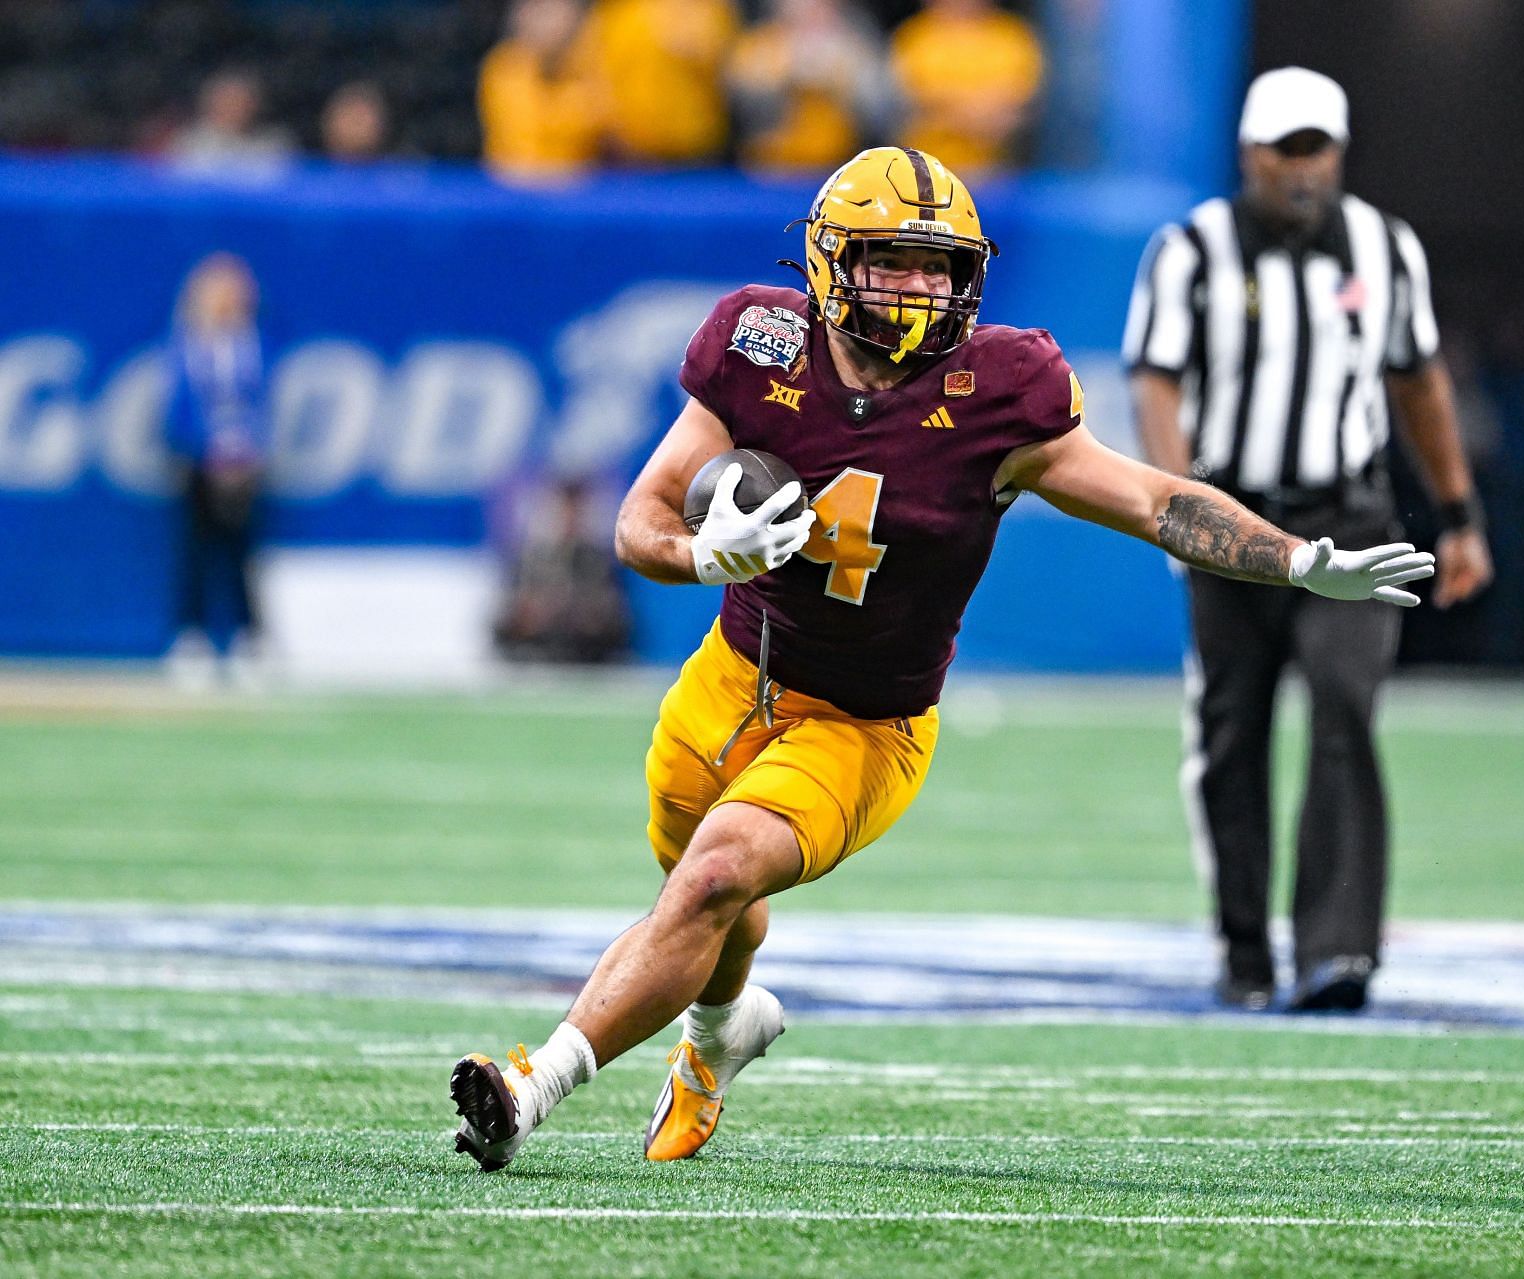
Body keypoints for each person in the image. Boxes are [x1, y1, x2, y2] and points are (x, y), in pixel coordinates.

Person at [448, 146, 1434, 1170]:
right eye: (896, 261)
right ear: (833, 263)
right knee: (704, 899)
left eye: (942, 265)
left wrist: (1296, 559)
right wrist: (705, 554)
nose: (924, 288)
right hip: (727, 682)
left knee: (716, 878)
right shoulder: (762, 343)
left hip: (864, 725)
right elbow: (638, 522)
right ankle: (720, 1033)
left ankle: (529, 1087)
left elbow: (1153, 499)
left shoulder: (1003, 391)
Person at [1123, 67, 1491, 1013]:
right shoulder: (1193, 249)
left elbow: (1419, 381)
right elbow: (1156, 380)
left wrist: (1456, 515)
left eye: (1316, 148)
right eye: (1285, 149)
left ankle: (1337, 953)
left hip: (1351, 519)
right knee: (1231, 731)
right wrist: (1179, 505)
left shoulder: (1384, 246)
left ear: (1340, 152)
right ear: (1250, 153)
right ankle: (1245, 948)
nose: (1301, 169)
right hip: (1236, 520)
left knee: (1344, 707)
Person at [163, 253, 270, 675]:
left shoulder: (250, 344)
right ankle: (192, 636)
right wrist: (203, 451)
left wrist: (248, 452)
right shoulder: (187, 344)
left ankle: (250, 638)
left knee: (243, 552)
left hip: (242, 464)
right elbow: (179, 408)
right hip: (200, 464)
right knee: (195, 549)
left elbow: (260, 404)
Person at [728, 0, 887, 174]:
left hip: (840, 163)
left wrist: (844, 78)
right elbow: (739, 104)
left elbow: (879, 109)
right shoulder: (761, 44)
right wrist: (777, 78)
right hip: (770, 165)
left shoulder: (856, 43)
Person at [889, 0, 1043, 172]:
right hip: (923, 171)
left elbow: (1020, 103)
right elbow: (911, 105)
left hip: (1001, 171)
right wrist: (979, 113)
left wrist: (951, 109)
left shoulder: (1014, 35)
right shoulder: (912, 36)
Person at [580, 0, 736, 166]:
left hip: (696, 152)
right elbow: (594, 74)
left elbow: (724, 65)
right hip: (629, 154)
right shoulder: (615, 13)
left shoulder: (703, 10)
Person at [493, 478, 633, 663]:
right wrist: (526, 618)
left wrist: (593, 619)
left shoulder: (601, 563)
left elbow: (622, 626)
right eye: (563, 510)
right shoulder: (528, 561)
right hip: (533, 661)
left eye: (576, 511)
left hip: (588, 663)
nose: (569, 519)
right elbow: (501, 626)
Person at [478, 0, 606, 184]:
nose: (545, 22)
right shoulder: (505, 68)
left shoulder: (593, 67)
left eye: (554, 10)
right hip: (512, 192)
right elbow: (521, 146)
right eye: (537, 9)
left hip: (583, 194)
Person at [168, 68, 294, 176]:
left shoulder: (273, 144)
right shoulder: (189, 143)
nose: (233, 108)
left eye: (240, 102)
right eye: (226, 101)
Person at [320, 81, 389, 163]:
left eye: (361, 117)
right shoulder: (306, 168)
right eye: (348, 115)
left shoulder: (397, 172)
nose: (355, 125)